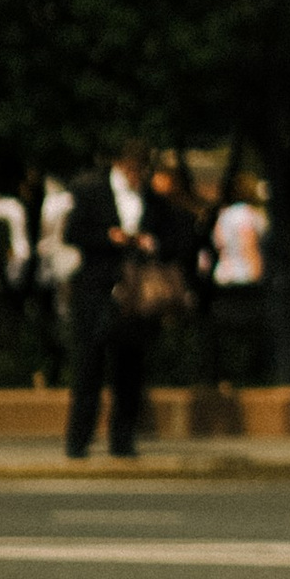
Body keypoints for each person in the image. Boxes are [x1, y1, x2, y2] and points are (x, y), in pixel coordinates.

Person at [62, 142, 193, 462]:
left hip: (136, 294)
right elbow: (73, 233)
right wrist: (109, 237)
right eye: (134, 167)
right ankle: (79, 439)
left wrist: (151, 243)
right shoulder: (92, 191)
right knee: (89, 365)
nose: (139, 174)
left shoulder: (152, 200)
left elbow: (174, 239)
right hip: (97, 288)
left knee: (129, 367)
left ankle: (123, 438)